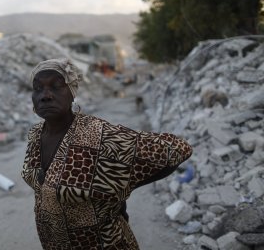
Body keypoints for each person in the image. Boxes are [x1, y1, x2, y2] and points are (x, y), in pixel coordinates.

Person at [21, 58, 193, 250]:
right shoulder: (36, 134)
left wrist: (124, 185)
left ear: (72, 92)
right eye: (37, 88)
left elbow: (178, 148)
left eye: (57, 86)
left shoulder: (98, 135)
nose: (45, 95)